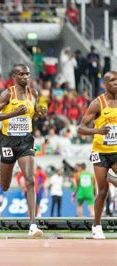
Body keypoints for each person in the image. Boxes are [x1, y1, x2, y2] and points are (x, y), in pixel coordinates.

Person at [0, 64, 47, 237]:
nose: (25, 77)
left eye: (28, 74)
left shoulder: (33, 93)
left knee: (30, 180)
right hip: (8, 142)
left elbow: (31, 115)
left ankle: (33, 224)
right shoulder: (8, 94)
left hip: (26, 142)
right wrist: (12, 114)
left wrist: (39, 113)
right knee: (5, 186)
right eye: (21, 74)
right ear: (14, 76)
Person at [78, 71, 117, 239]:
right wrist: (98, 130)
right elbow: (80, 128)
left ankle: (112, 178)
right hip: (100, 152)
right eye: (112, 80)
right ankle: (96, 226)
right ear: (104, 84)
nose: (116, 83)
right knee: (102, 191)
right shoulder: (98, 103)